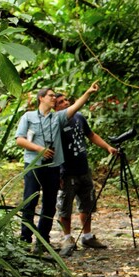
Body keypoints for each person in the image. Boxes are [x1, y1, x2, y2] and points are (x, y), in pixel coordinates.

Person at [15, 82, 100, 249]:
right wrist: (39, 149)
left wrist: (88, 92)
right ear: (41, 98)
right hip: (33, 166)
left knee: (49, 204)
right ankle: (25, 239)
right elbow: (20, 139)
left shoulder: (57, 118)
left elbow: (75, 107)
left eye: (55, 96)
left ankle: (43, 239)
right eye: (51, 96)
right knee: (30, 202)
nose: (54, 98)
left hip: (53, 167)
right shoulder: (28, 117)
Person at [55, 95, 118, 257]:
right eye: (60, 102)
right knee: (65, 206)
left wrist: (107, 147)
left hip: (83, 168)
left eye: (65, 100)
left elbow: (91, 135)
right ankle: (67, 238)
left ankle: (87, 236)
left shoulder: (79, 117)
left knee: (87, 203)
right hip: (66, 170)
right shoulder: (55, 121)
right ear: (54, 107)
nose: (65, 103)